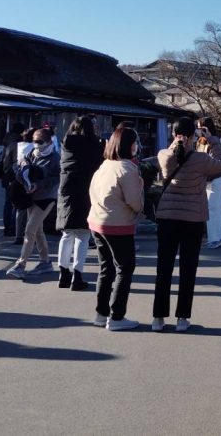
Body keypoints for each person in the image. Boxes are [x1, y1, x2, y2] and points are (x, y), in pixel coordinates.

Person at [153, 116, 221, 332]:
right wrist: (212, 141)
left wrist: (177, 141)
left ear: (174, 135)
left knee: (163, 268)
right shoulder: (200, 160)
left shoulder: (164, 155)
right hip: (192, 219)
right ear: (193, 136)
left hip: (167, 218)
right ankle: (182, 318)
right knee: (188, 269)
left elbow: (171, 153)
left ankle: (158, 318)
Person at [87, 125, 145, 331]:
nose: (137, 146)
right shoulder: (127, 168)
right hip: (118, 225)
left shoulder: (104, 165)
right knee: (124, 269)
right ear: (130, 146)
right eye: (135, 143)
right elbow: (135, 202)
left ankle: (101, 313)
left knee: (106, 269)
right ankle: (117, 316)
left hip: (97, 221)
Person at [56, 116, 104, 291]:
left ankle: (63, 273)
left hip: (66, 190)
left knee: (67, 233)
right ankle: (77, 275)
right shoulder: (95, 145)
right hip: (86, 190)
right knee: (83, 236)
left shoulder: (66, 143)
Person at [6, 128, 60, 279]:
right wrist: (22, 165)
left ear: (49, 142)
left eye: (40, 142)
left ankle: (21, 264)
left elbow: (56, 179)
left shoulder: (55, 157)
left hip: (47, 198)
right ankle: (46, 262)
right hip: (31, 196)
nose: (36, 145)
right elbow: (21, 168)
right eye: (34, 141)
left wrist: (39, 184)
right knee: (37, 230)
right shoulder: (32, 153)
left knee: (30, 230)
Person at [197, 117, 221, 249]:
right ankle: (219, 237)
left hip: (217, 177)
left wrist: (210, 138)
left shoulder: (213, 141)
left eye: (201, 128)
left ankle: (215, 238)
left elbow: (217, 159)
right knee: (214, 209)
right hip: (211, 178)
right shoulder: (201, 142)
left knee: (213, 209)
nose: (199, 131)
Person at [0, 123, 26, 237]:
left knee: (8, 202)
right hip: (13, 176)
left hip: (6, 175)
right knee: (15, 203)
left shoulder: (7, 141)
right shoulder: (18, 144)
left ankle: (7, 227)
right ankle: (12, 228)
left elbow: (3, 161)